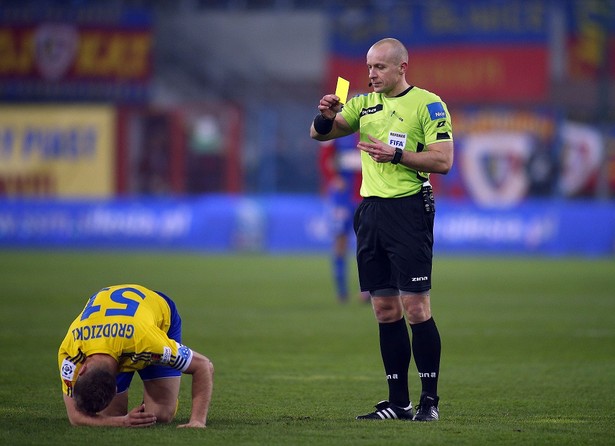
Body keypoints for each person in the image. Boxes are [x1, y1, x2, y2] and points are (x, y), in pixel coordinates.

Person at [309, 37, 454, 421]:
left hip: (409, 211)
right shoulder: (362, 103)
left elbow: (443, 161)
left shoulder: (428, 103)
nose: (371, 74)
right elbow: (320, 134)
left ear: (402, 68)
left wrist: (398, 155)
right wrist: (324, 115)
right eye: (369, 67)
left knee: (416, 307)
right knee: (385, 310)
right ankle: (398, 402)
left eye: (380, 67)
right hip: (370, 211)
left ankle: (430, 402)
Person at [58, 284, 214, 428]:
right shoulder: (71, 350)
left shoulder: (149, 343)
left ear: (83, 369)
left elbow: (203, 365)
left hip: (152, 322)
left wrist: (197, 420)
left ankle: (163, 396)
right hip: (125, 335)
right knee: (112, 415)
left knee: (159, 415)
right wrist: (122, 420)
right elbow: (75, 417)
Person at [318, 131, 370, 304]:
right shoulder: (338, 129)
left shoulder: (372, 124)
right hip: (343, 197)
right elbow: (326, 158)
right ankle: (341, 291)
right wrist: (334, 178)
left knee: (367, 243)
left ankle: (368, 290)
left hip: (366, 193)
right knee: (340, 240)